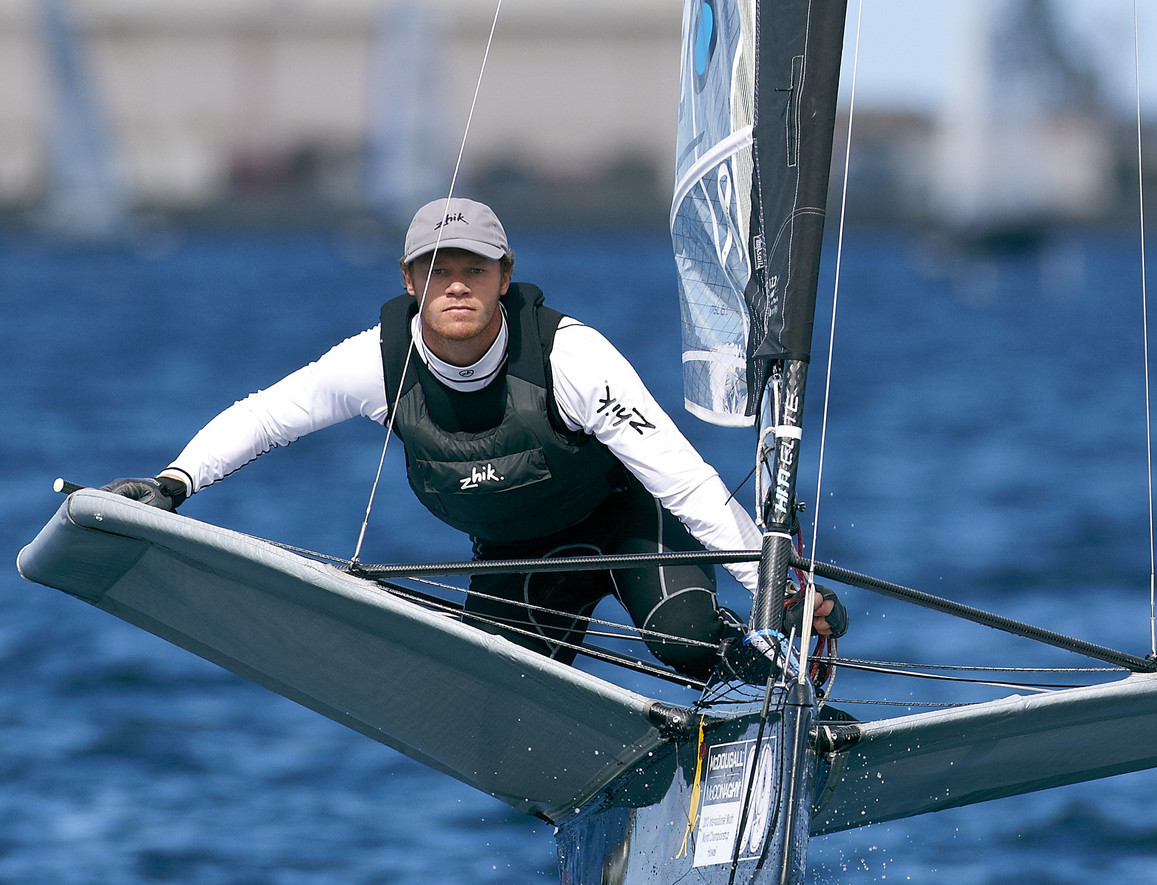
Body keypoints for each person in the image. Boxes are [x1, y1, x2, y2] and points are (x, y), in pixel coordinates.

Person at [105, 198, 841, 684]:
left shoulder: (571, 358)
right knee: (502, 692)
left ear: (504, 277)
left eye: (474, 272)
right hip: (517, 554)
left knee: (684, 645)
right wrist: (174, 483)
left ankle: (749, 686)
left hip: (630, 524)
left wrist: (776, 588)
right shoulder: (376, 362)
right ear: (410, 279)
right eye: (438, 272)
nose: (457, 287)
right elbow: (266, 416)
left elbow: (683, 481)